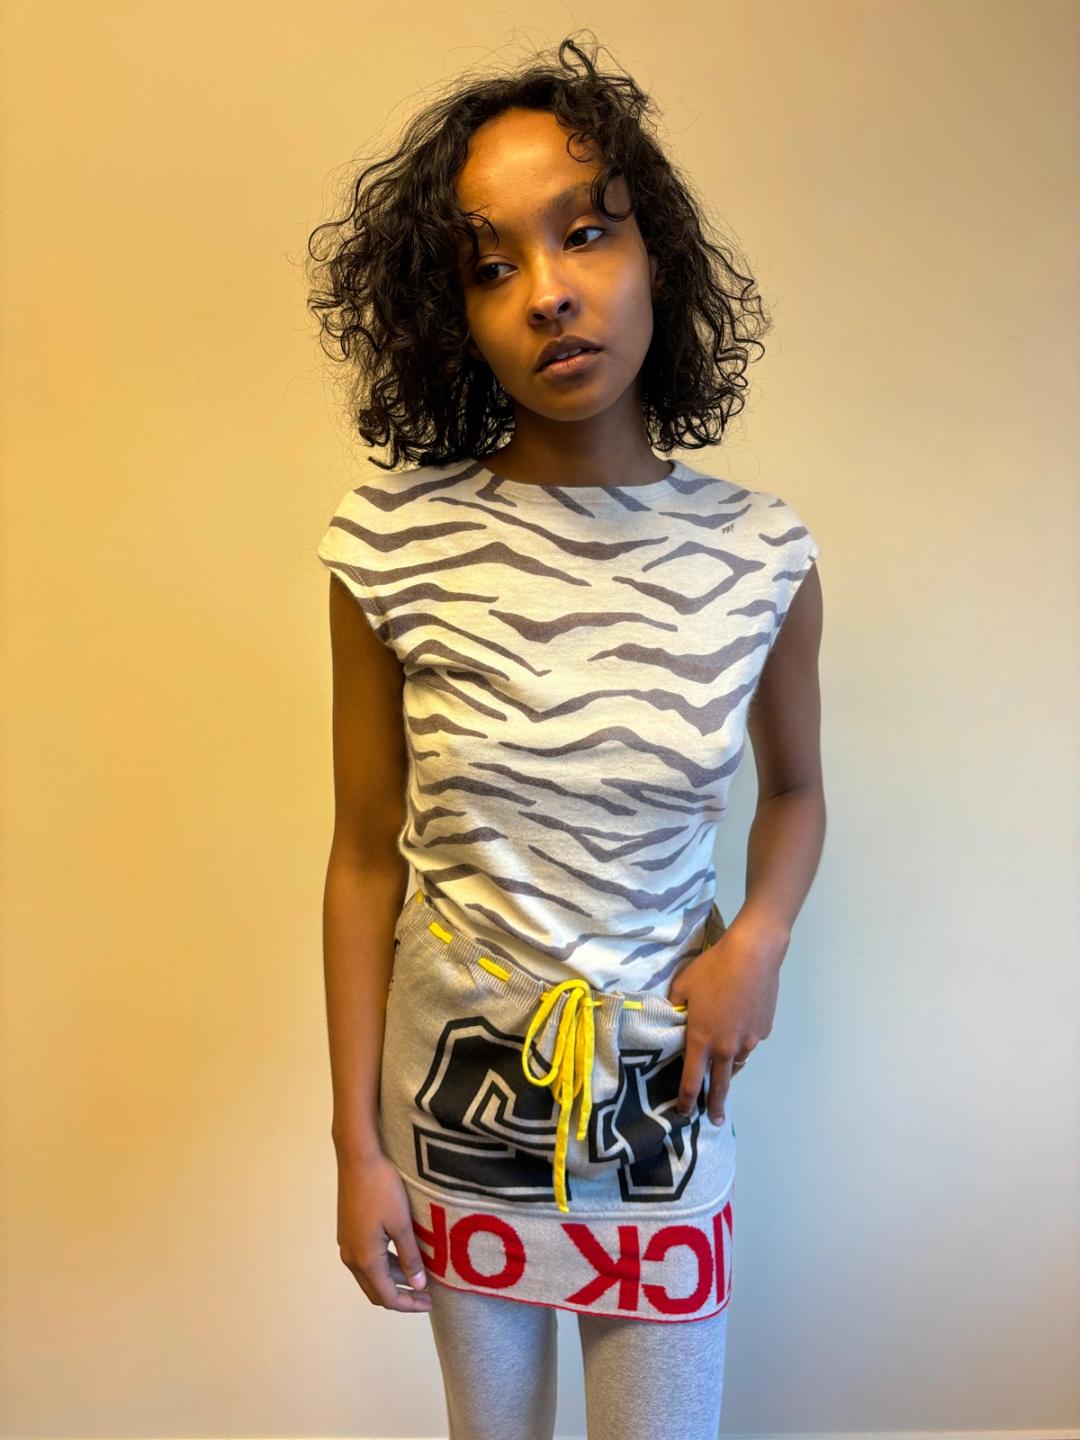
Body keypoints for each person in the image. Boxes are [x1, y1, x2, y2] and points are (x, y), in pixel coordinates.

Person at [308, 31, 824, 1440]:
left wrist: (758, 942)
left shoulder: (761, 554)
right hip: (453, 1115)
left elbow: (797, 794)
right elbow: (364, 858)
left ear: (658, 256)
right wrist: (355, 1149)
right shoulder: (391, 545)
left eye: (586, 233)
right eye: (492, 267)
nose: (547, 291)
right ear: (452, 316)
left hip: (663, 1110)